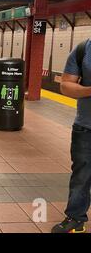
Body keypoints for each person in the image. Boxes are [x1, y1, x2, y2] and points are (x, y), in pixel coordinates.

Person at [51, 40, 91, 233]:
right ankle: (76, 218)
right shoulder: (84, 50)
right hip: (86, 127)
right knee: (81, 176)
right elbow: (66, 86)